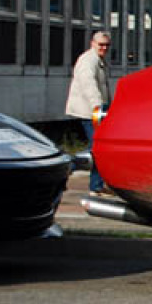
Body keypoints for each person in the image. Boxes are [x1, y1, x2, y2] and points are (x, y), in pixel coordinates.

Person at [65, 30, 113, 194]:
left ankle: (97, 184)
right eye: (101, 44)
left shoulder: (98, 60)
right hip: (89, 112)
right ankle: (70, 167)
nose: (104, 48)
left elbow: (103, 87)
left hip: (94, 111)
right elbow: (89, 86)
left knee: (98, 147)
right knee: (98, 147)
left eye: (107, 45)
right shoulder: (88, 61)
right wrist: (98, 107)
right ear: (93, 44)